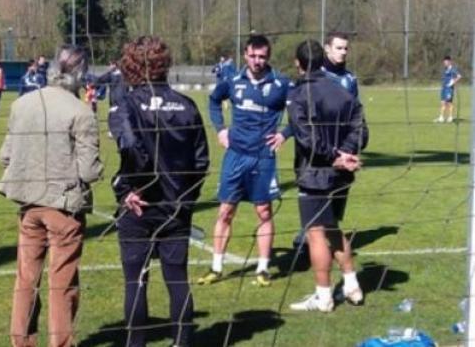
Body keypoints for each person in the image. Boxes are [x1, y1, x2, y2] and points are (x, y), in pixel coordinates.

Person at [0, 45, 103, 347]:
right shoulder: (80, 112)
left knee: (26, 279)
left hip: (28, 205)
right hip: (63, 208)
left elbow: (5, 156)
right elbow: (89, 171)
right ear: (80, 73)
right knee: (62, 284)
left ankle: (22, 341)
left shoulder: (23, 105)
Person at [109, 36, 209, 347]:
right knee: (177, 278)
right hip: (176, 206)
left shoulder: (127, 104)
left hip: (139, 206)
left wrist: (126, 188)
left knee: (136, 281)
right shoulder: (187, 105)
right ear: (164, 65)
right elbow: (201, 161)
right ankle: (182, 341)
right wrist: (186, 198)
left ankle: (135, 344)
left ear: (131, 65)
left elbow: (131, 149)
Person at [199, 35, 291, 288]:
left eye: (262, 56)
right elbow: (214, 101)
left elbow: (301, 113)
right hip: (236, 155)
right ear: (245, 54)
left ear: (268, 57)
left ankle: (262, 269)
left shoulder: (282, 83)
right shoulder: (232, 80)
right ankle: (216, 267)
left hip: (263, 157)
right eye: (253, 55)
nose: (257, 61)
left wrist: (285, 133)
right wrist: (220, 129)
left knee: (263, 212)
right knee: (226, 210)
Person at [286, 39, 369, 312]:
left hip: (315, 174)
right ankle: (352, 286)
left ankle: (323, 297)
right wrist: (345, 153)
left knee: (316, 234)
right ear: (322, 61)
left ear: (298, 64)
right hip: (341, 175)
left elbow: (307, 138)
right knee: (333, 228)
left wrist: (336, 155)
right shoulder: (343, 93)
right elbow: (361, 131)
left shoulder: (299, 95)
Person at [323, 32, 359, 97]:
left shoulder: (350, 79)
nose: (343, 52)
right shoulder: (315, 75)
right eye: (339, 48)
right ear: (327, 48)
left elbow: (355, 105)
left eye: (346, 49)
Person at [436, 55, 462, 123]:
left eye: (446, 62)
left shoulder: (452, 69)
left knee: (449, 103)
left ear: (449, 62)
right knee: (442, 103)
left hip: (449, 89)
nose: (445, 63)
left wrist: (453, 82)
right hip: (444, 88)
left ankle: (450, 117)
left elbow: (459, 76)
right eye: (444, 62)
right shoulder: (445, 69)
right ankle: (441, 117)